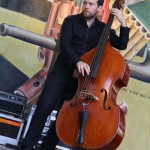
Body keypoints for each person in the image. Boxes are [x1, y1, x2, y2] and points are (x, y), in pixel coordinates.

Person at [20, 0, 130, 149]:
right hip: (62, 72)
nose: (86, 7)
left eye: (91, 4)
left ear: (99, 8)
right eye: (85, 3)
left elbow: (121, 44)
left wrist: (123, 22)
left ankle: (47, 147)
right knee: (44, 107)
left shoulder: (104, 30)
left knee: (64, 116)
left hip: (81, 80)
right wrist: (77, 61)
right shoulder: (70, 21)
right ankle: (27, 146)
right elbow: (64, 45)